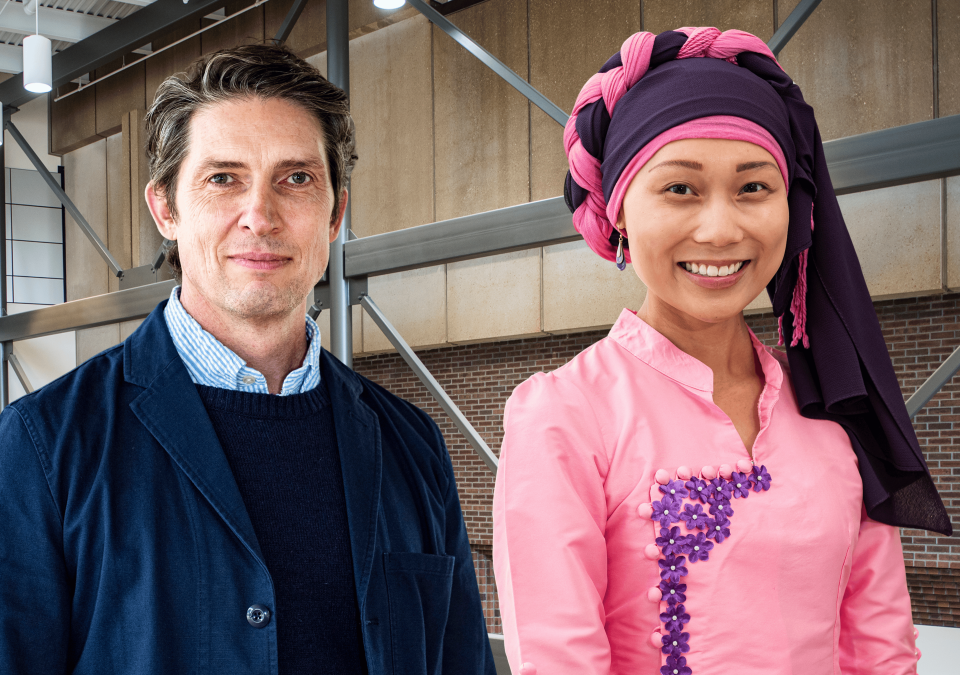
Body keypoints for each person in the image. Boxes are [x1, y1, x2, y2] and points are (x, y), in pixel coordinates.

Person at [0, 44, 495, 675]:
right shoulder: (44, 446)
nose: (259, 217)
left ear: (336, 211)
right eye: (222, 178)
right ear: (166, 210)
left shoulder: (412, 446)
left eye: (296, 179)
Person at [493, 27, 952, 675]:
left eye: (753, 188)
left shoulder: (835, 404)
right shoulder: (564, 416)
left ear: (792, 207)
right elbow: (559, 660)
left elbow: (882, 650)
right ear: (620, 211)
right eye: (680, 188)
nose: (720, 228)